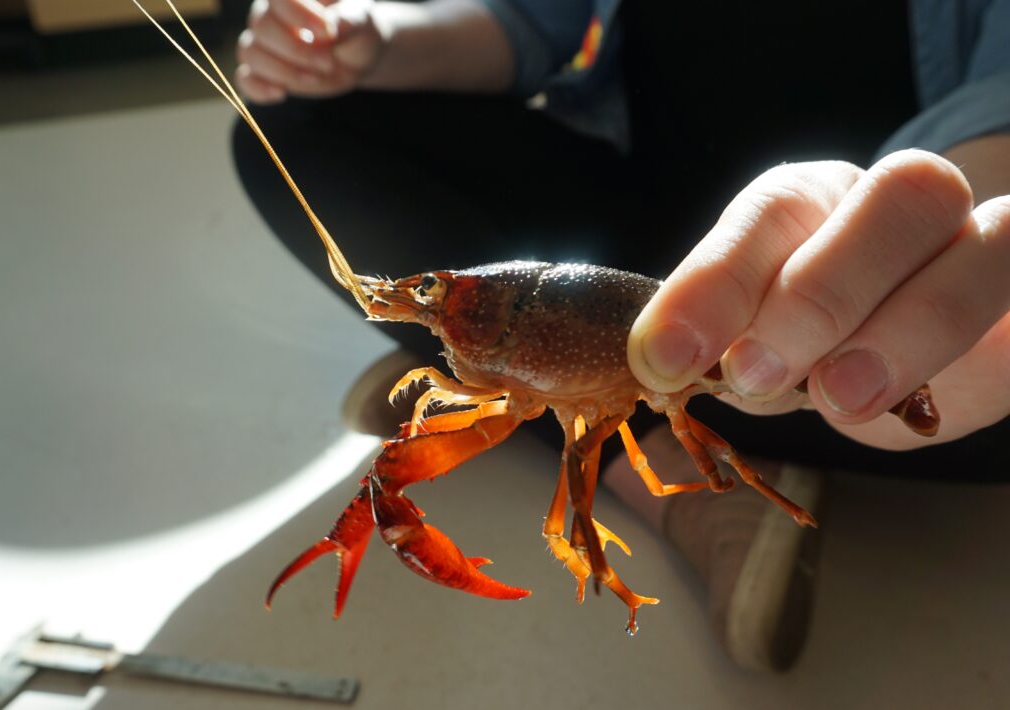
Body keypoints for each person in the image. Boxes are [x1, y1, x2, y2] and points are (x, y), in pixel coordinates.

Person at [231, 0, 1010, 671]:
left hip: (871, 308)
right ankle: (594, 434)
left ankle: (663, 477)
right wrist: (370, 35)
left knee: (585, 401)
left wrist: (953, 235)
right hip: (642, 226)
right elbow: (530, 21)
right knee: (288, 120)